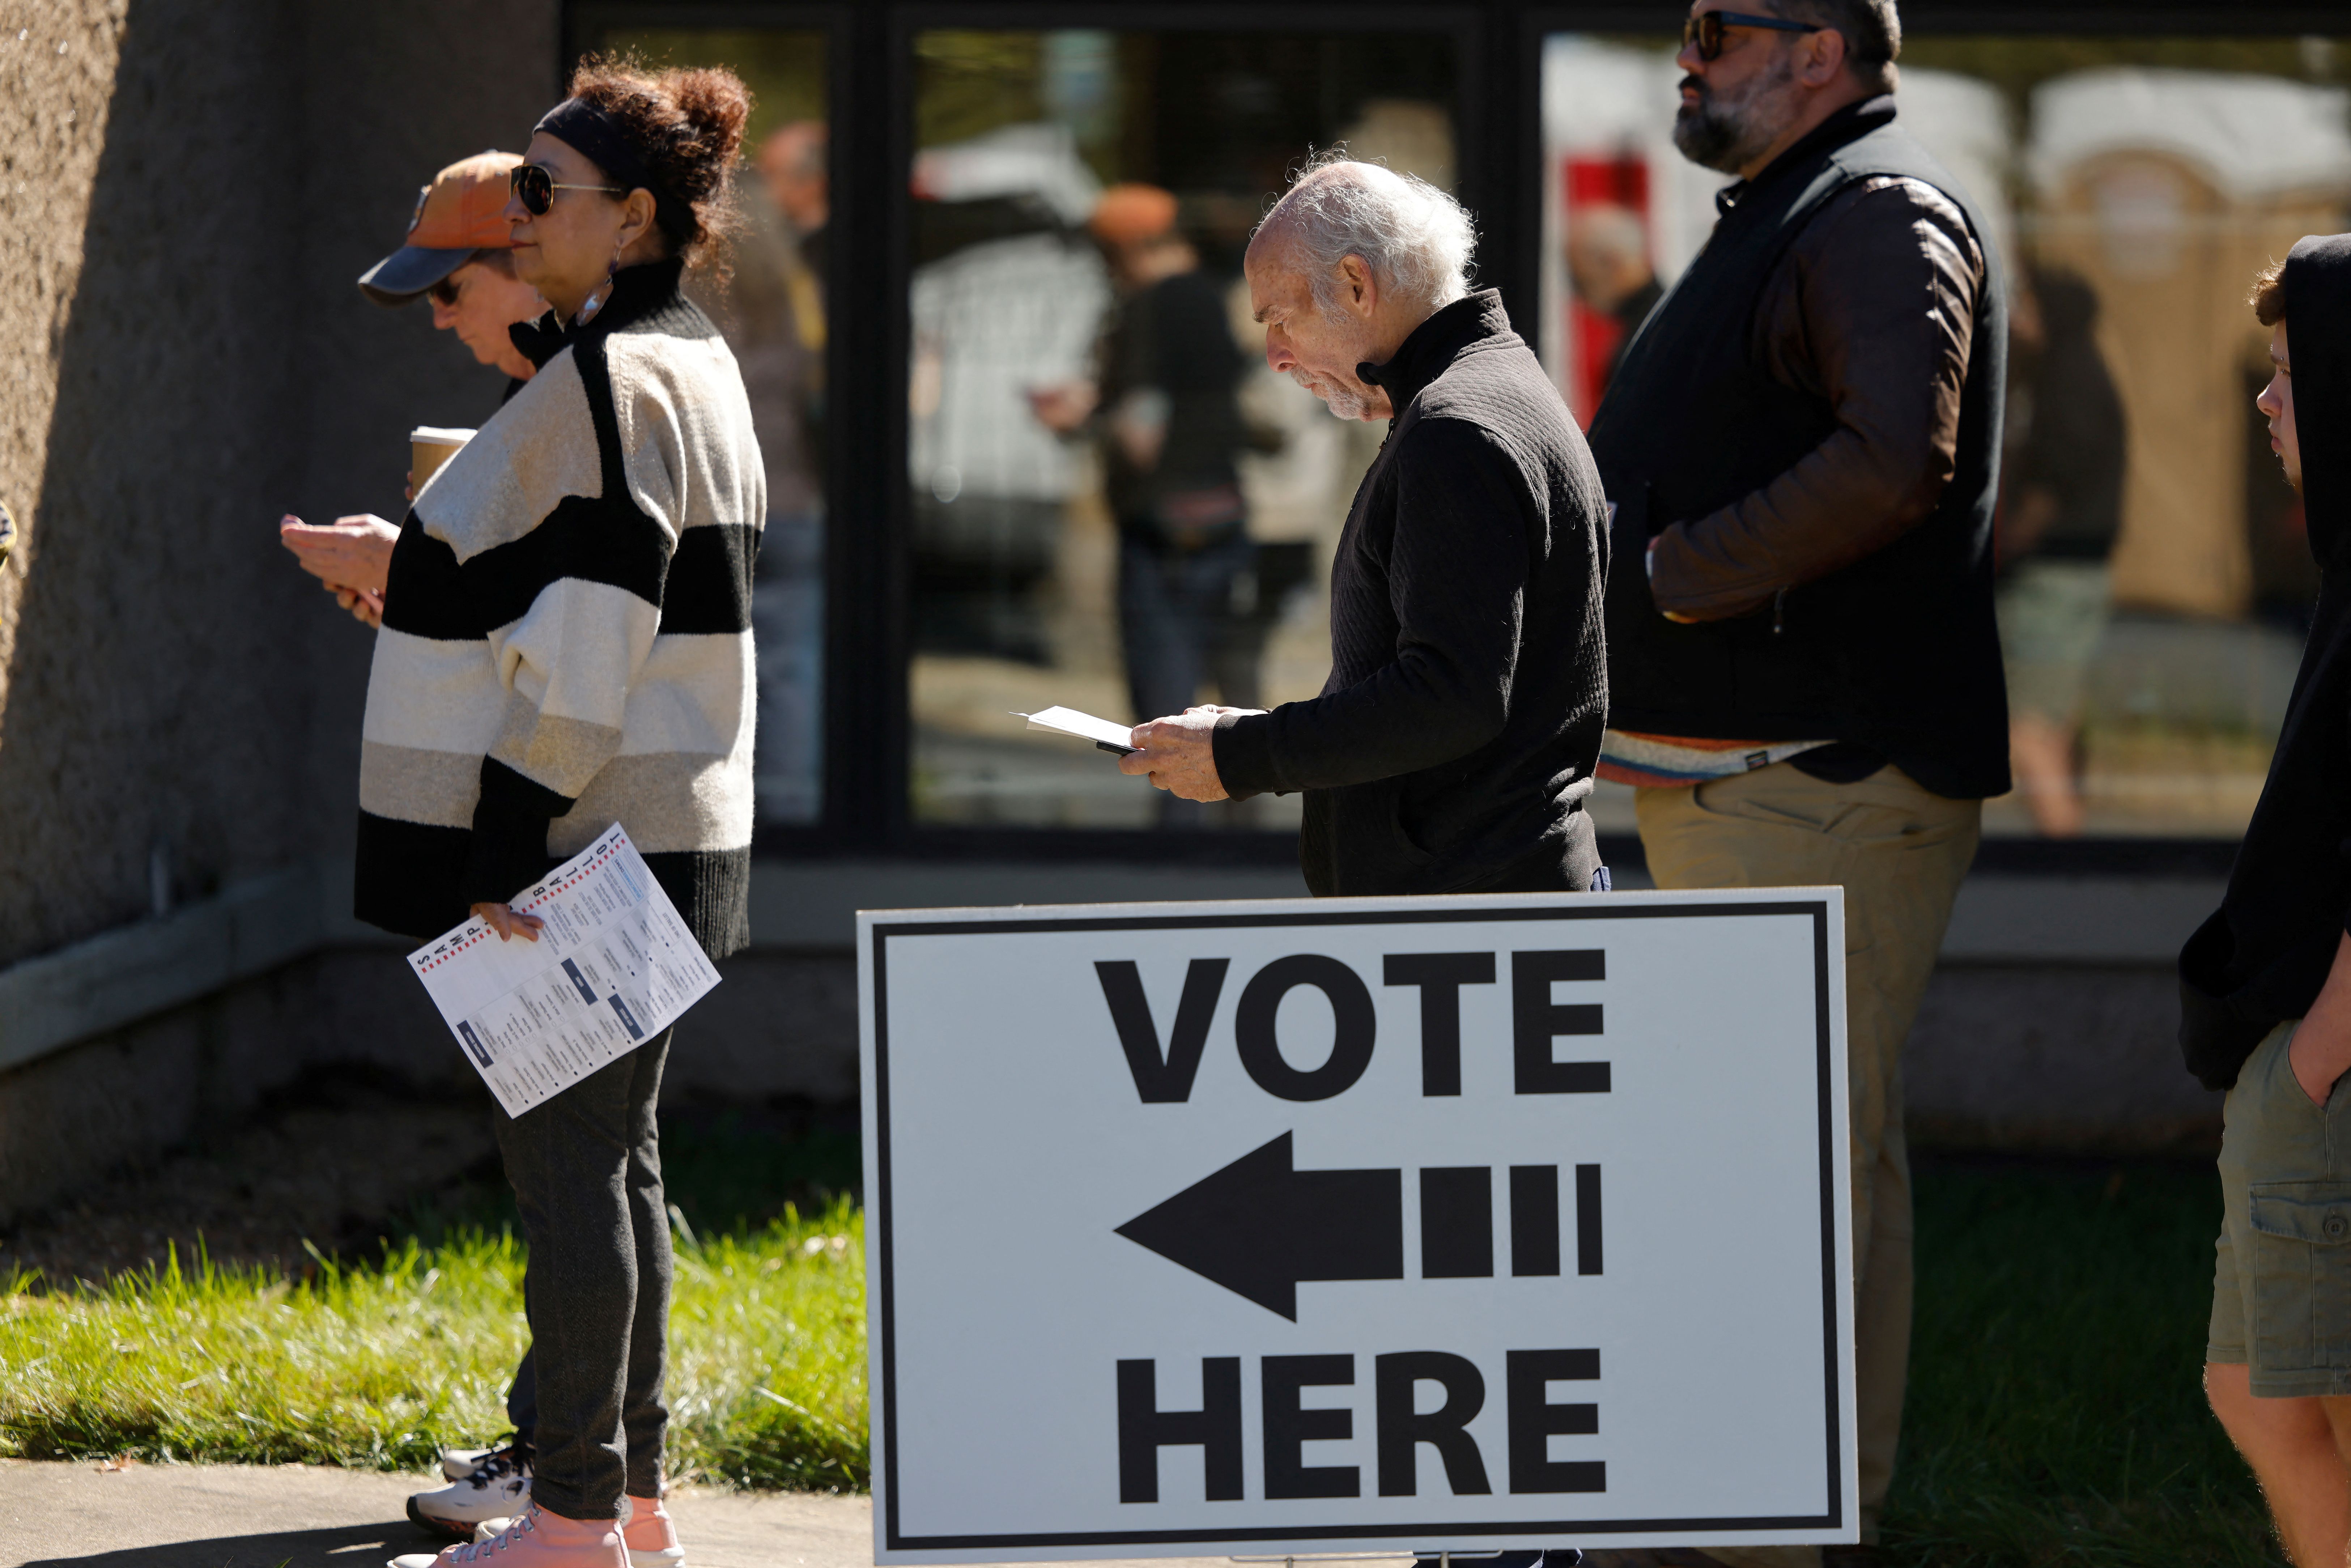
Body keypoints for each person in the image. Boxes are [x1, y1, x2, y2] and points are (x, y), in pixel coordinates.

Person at [1583, 3, 2005, 1564]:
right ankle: (1799, 1517)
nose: (1680, 57)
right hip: (1760, 780)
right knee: (1822, 1161)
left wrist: (1676, 574)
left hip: (1818, 777)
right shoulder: (1797, 208)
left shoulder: (1878, 209)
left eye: (1714, 29)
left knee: (1785, 1173)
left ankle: (1763, 1530)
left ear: (1817, 49)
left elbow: (1900, 455)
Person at [364, 56, 762, 1568]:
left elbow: (594, 633)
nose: (519, 217)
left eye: (544, 193)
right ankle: (628, 1501)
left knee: (570, 1169)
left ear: (636, 215)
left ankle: (577, 1522)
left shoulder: (610, 374)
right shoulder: (690, 357)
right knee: (619, 1159)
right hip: (667, 827)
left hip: (585, 841)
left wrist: (497, 838)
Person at [1118, 156, 1610, 900]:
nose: (1276, 357)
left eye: (1280, 318)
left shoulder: (1457, 425)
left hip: (1472, 918)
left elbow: (1450, 695)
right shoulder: (1484, 391)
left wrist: (1245, 753)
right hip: (1485, 902)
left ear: (1356, 285)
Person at [2184, 238, 2351, 1568]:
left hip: (2334, 1068)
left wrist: (2312, 1063)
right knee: (2252, 1390)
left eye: (2293, 372)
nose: (2265, 398)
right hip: (2302, 1059)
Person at [1032, 184, 1264, 817]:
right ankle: (1247, 848)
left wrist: (1083, 414)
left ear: (1123, 252)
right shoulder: (1215, 302)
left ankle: (1178, 866)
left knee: (1166, 724)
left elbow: (1141, 433)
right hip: (1223, 515)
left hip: (1162, 532)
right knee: (1240, 706)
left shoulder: (1151, 307)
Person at [282, 152, 545, 629]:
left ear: (526, 261)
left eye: (449, 288)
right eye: (430, 295)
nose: (440, 317)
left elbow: (590, 626)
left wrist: (410, 568)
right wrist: (418, 608)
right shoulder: (532, 397)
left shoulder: (597, 394)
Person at [1996, 269, 2126, 838]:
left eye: (2026, 305)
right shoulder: (2074, 375)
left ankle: (2063, 848)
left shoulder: (2069, 383)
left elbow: (2061, 469)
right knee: (2053, 721)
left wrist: (2011, 539)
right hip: (2076, 571)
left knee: (2028, 729)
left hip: (2053, 574)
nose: (2017, 319)